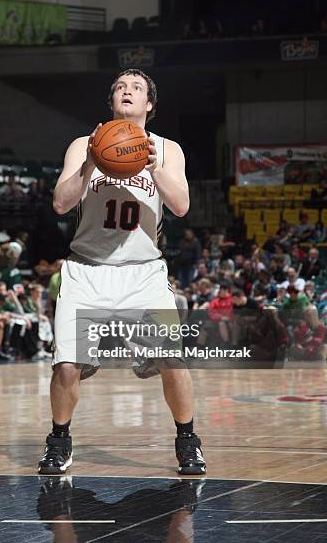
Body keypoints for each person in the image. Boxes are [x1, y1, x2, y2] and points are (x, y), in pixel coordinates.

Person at [38, 68, 206, 476]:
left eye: (136, 88)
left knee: (173, 360)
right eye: (119, 87)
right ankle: (59, 441)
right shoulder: (84, 145)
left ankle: (188, 441)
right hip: (86, 270)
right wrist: (89, 164)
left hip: (143, 272)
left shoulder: (168, 150)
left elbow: (182, 205)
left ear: (149, 104)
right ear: (111, 102)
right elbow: (60, 203)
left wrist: (151, 166)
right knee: (66, 366)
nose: (126, 91)